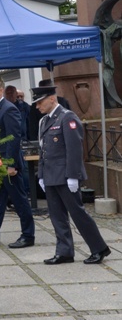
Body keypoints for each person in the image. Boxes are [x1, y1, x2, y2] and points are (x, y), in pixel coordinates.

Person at [33, 85, 111, 265]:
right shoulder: (44, 121)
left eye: (40, 102)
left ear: (52, 98)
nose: (37, 106)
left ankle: (99, 248)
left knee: (78, 214)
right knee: (57, 216)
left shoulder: (67, 118)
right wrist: (42, 175)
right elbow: (43, 150)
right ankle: (64, 251)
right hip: (51, 175)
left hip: (66, 176)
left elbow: (74, 150)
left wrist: (73, 176)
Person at [0, 78, 35, 249]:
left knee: (19, 200)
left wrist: (11, 165)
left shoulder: (8, 109)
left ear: (0, 90)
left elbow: (14, 138)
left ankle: (28, 235)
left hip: (8, 164)